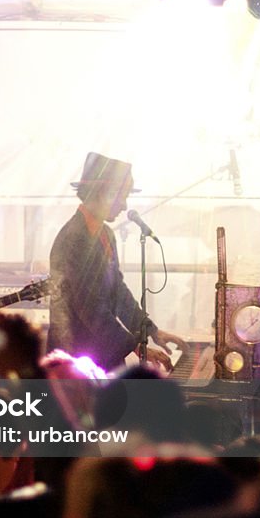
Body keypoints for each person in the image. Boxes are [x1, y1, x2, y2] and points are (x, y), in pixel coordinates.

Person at [48, 152, 184, 373]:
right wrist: (138, 348)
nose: (124, 205)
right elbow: (91, 309)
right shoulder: (74, 238)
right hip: (75, 360)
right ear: (102, 193)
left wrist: (151, 331)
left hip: (100, 355)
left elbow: (117, 291)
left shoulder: (105, 234)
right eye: (121, 196)